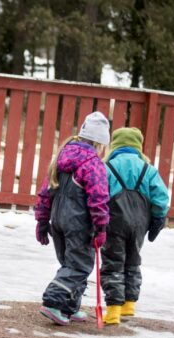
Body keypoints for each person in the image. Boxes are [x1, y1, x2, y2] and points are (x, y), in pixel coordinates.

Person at [34, 111, 111, 326]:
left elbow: (46, 191)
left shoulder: (60, 157)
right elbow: (99, 197)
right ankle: (53, 302)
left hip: (57, 221)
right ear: (100, 144)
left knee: (70, 263)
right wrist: (101, 226)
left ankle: (69, 306)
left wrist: (42, 221)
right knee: (78, 266)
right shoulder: (92, 163)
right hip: (78, 223)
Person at [100, 127, 169, 325]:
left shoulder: (107, 167)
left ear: (115, 146)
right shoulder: (148, 169)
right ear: (138, 147)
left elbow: (98, 194)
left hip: (114, 222)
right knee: (132, 260)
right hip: (140, 223)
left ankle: (113, 310)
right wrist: (157, 220)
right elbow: (161, 198)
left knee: (113, 262)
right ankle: (129, 304)